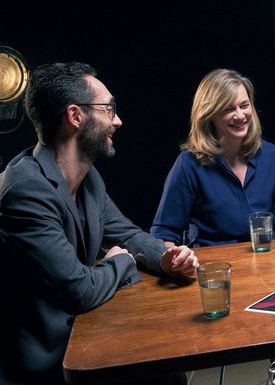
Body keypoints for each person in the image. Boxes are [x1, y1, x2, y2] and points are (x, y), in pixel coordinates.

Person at [0, 62, 198, 385]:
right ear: (75, 116)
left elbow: (127, 234)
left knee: (166, 366)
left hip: (85, 336)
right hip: (47, 366)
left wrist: (165, 257)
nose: (117, 120)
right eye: (109, 109)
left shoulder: (89, 178)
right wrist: (121, 262)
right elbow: (78, 290)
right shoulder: (24, 189)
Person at [150, 68, 275, 385]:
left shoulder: (271, 156)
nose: (240, 115)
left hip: (268, 270)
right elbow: (163, 234)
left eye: (244, 105)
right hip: (218, 282)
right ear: (209, 115)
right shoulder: (188, 165)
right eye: (229, 108)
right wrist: (173, 256)